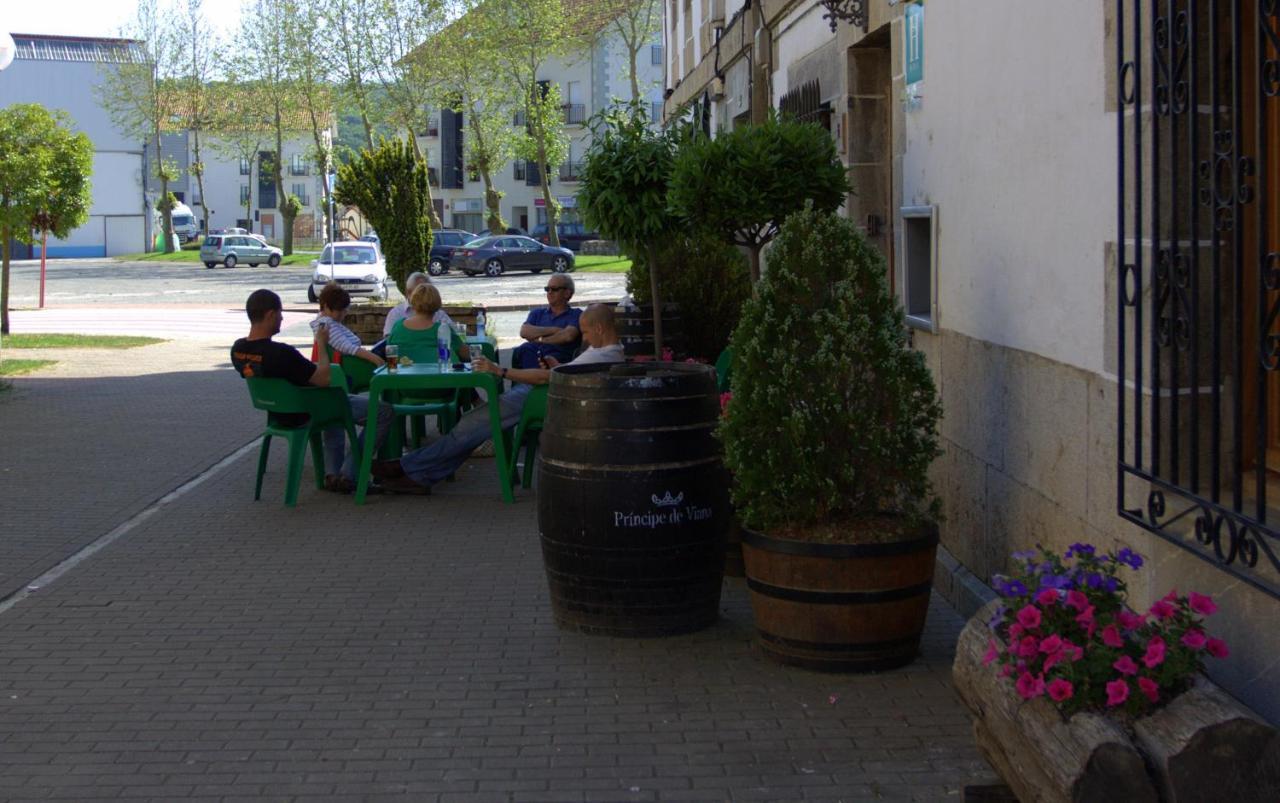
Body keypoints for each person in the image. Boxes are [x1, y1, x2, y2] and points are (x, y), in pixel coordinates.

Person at [375, 303, 624, 494]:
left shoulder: (599, 355)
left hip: (539, 398)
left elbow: (543, 379)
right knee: (472, 428)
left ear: (600, 328)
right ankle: (417, 474)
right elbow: (559, 374)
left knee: (469, 426)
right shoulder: (609, 352)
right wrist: (557, 365)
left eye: (587, 332)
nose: (586, 338)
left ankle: (405, 466)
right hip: (545, 395)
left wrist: (499, 370)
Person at [232, 289, 391, 494]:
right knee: (383, 412)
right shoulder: (283, 354)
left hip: (277, 412)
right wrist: (322, 344)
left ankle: (333, 474)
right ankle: (350, 473)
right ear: (270, 314)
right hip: (308, 409)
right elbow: (323, 379)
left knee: (334, 409)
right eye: (280, 313)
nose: (282, 318)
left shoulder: (237, 350)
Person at [386, 282, 471, 361]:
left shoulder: (397, 327)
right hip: (441, 376)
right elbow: (467, 354)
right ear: (437, 305)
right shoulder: (443, 330)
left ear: (413, 302)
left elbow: (389, 350)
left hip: (402, 376)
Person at [511, 274, 580, 369]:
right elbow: (524, 331)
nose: (550, 292)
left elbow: (568, 336)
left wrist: (540, 340)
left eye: (554, 289)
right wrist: (554, 330)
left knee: (527, 348)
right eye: (547, 289)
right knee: (525, 348)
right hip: (534, 357)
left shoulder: (576, 314)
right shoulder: (537, 313)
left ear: (567, 293)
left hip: (560, 362)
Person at [312, 283, 384, 370]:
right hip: (348, 369)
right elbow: (347, 347)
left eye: (345, 309)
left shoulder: (327, 321)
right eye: (339, 310)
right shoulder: (325, 324)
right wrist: (377, 360)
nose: (343, 314)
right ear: (326, 306)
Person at [383, 271, 456, 336]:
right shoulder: (396, 314)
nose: (425, 296)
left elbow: (455, 335)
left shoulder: (439, 314)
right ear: (408, 292)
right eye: (420, 292)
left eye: (428, 293)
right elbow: (388, 343)